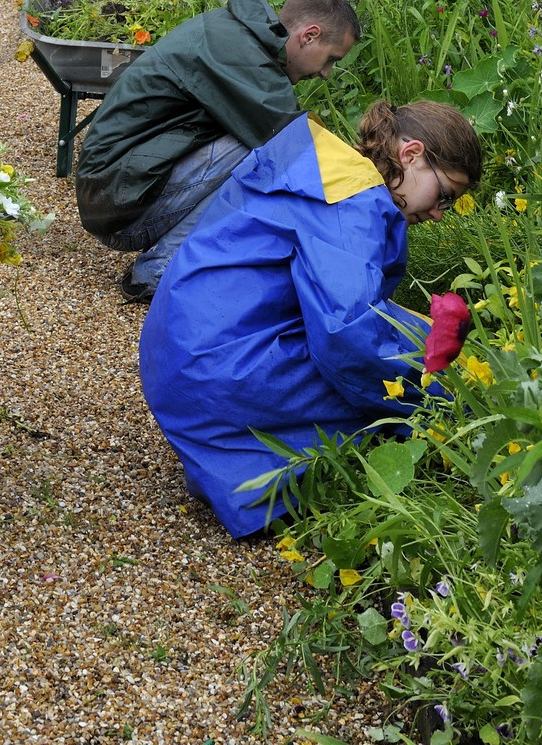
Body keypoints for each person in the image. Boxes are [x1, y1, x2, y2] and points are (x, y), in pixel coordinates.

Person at [138, 99, 482, 538]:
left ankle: (232, 467)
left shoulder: (321, 166)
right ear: (411, 154)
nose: (437, 214)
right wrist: (443, 394)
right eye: (444, 196)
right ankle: (275, 481)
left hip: (178, 358)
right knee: (385, 374)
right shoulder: (352, 203)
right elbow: (348, 335)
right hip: (215, 372)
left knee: (399, 335)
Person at [76, 0, 360, 300]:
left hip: (114, 188)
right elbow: (300, 143)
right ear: (309, 35)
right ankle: (155, 274)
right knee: (269, 149)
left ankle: (183, 264)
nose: (326, 73)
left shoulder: (236, 35)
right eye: (331, 59)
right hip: (116, 202)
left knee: (268, 143)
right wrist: (366, 181)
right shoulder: (242, 58)